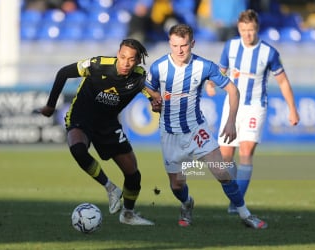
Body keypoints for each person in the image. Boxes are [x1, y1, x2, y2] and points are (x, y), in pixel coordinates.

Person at [145, 23, 267, 229]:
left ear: (192, 43)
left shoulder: (204, 66)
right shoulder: (159, 67)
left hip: (196, 129)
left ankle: (245, 214)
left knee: (221, 172)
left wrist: (230, 122)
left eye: (184, 45)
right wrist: (155, 102)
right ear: (169, 44)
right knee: (177, 184)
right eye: (175, 46)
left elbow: (233, 91)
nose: (179, 50)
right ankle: (187, 204)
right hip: (169, 133)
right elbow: (149, 88)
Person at [38, 39, 154, 226]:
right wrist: (50, 105)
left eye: (131, 59)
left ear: (138, 60)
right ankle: (110, 188)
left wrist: (156, 104)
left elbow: (153, 97)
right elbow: (63, 73)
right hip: (81, 118)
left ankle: (128, 214)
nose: (125, 63)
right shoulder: (97, 65)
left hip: (108, 125)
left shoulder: (140, 77)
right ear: (118, 54)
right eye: (122, 57)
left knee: (133, 174)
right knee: (78, 149)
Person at [206, 9, 300, 214]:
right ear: (238, 29)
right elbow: (220, 72)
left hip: (255, 106)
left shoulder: (269, 52)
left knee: (246, 152)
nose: (247, 34)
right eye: (243, 30)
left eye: (251, 30)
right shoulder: (230, 47)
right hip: (232, 107)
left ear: (257, 28)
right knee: (225, 158)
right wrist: (211, 84)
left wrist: (292, 109)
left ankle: (236, 202)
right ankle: (235, 195)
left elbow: (283, 82)